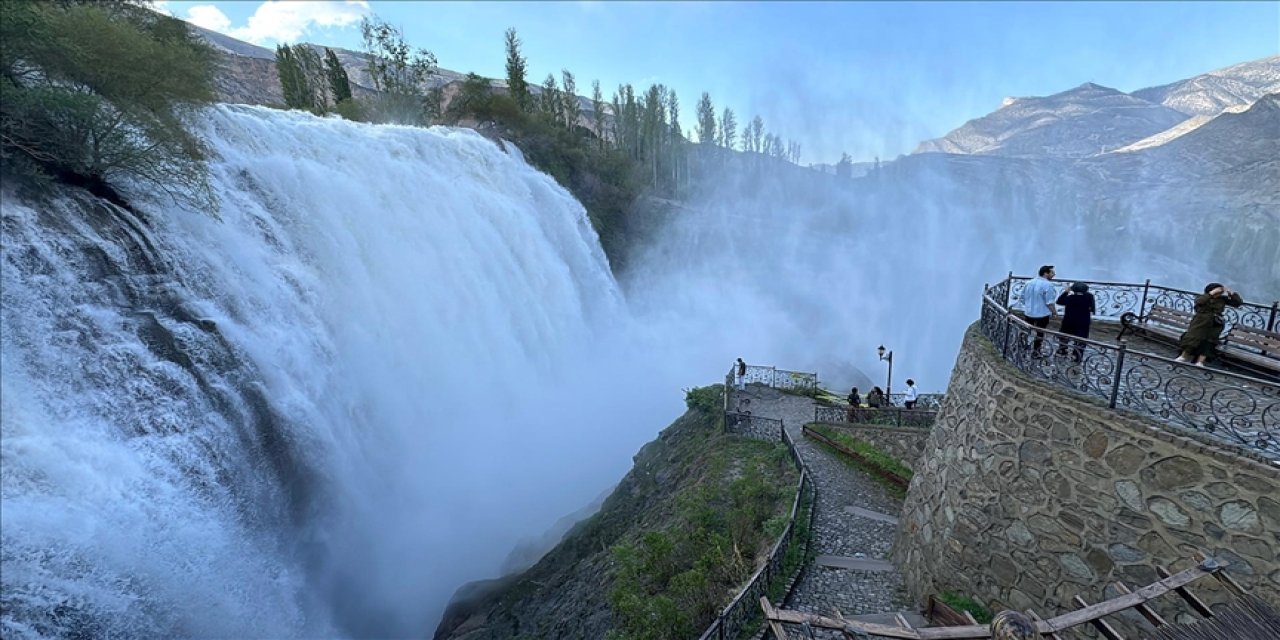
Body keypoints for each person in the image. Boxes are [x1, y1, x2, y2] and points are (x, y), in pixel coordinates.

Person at [1176, 283, 1243, 367]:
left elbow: (1238, 303)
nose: (1219, 293)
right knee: (1193, 338)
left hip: (1215, 323)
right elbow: (1199, 302)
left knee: (1209, 341)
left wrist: (1231, 293)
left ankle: (1200, 361)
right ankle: (1183, 356)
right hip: (1200, 322)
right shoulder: (1203, 297)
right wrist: (1211, 294)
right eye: (1217, 290)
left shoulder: (1222, 299)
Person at [1020, 265, 1059, 356]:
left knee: (1025, 330)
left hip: (1028, 312)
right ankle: (1036, 352)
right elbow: (1049, 302)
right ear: (1046, 273)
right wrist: (1054, 313)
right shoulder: (1048, 285)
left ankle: (1021, 347)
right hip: (1042, 314)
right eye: (1052, 273)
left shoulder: (1029, 283)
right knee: (1040, 333)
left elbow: (1022, 298)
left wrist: (1029, 306)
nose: (1054, 275)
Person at [1055, 282, 1096, 362]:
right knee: (1081, 338)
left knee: (1064, 336)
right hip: (1083, 321)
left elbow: (1059, 301)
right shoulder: (1089, 297)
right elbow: (1092, 308)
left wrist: (1066, 291)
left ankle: (1062, 350)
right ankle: (1077, 355)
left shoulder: (1070, 298)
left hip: (1069, 320)